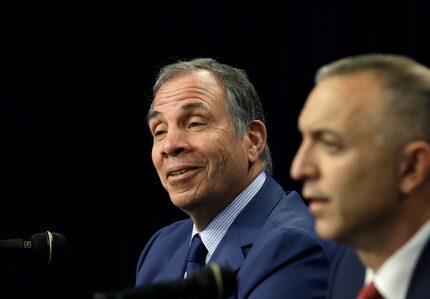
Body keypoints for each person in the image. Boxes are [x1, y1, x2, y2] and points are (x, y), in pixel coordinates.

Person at [136, 58, 338, 298]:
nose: (169, 145)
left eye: (194, 123)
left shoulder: (293, 245)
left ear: (252, 140)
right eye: (159, 131)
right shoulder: (160, 248)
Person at [290, 54, 430, 299]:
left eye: (330, 144)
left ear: (411, 168)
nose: (299, 169)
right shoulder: (350, 267)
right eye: (304, 139)